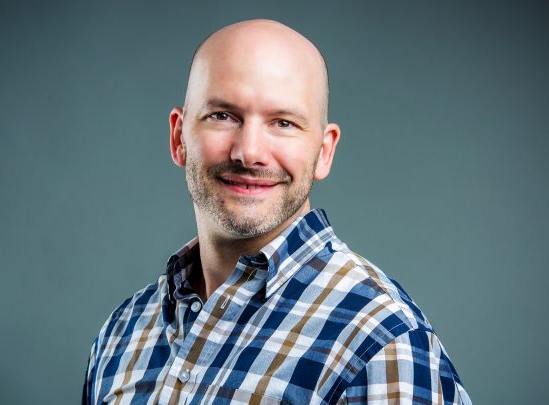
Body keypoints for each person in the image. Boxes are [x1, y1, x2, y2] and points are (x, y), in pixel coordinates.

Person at [82, 19, 471, 405]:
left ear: (325, 151)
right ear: (178, 137)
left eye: (283, 123)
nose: (249, 151)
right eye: (222, 116)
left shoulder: (381, 342)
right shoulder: (122, 333)